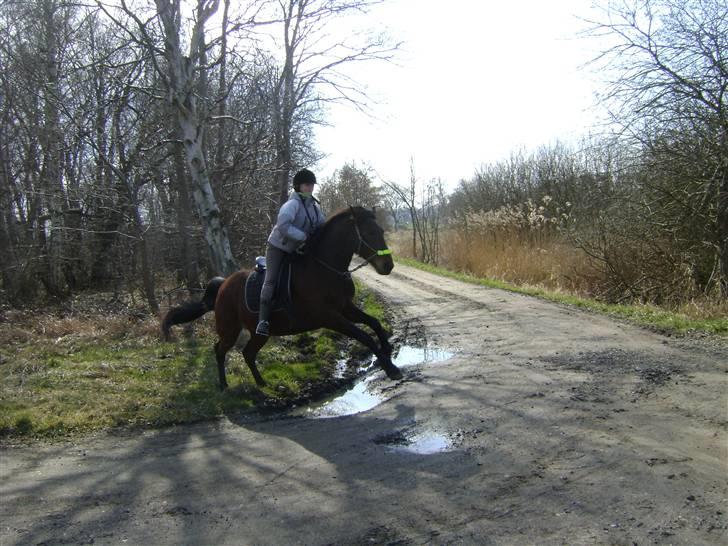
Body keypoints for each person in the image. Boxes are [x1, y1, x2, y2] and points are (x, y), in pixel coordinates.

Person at [256, 168, 326, 336]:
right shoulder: (292, 204)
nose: (310, 188)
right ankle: (263, 321)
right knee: (271, 280)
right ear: (298, 186)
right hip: (278, 248)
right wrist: (303, 237)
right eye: (307, 185)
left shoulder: (314, 207)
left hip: (297, 249)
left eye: (311, 185)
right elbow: (283, 225)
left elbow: (322, 226)